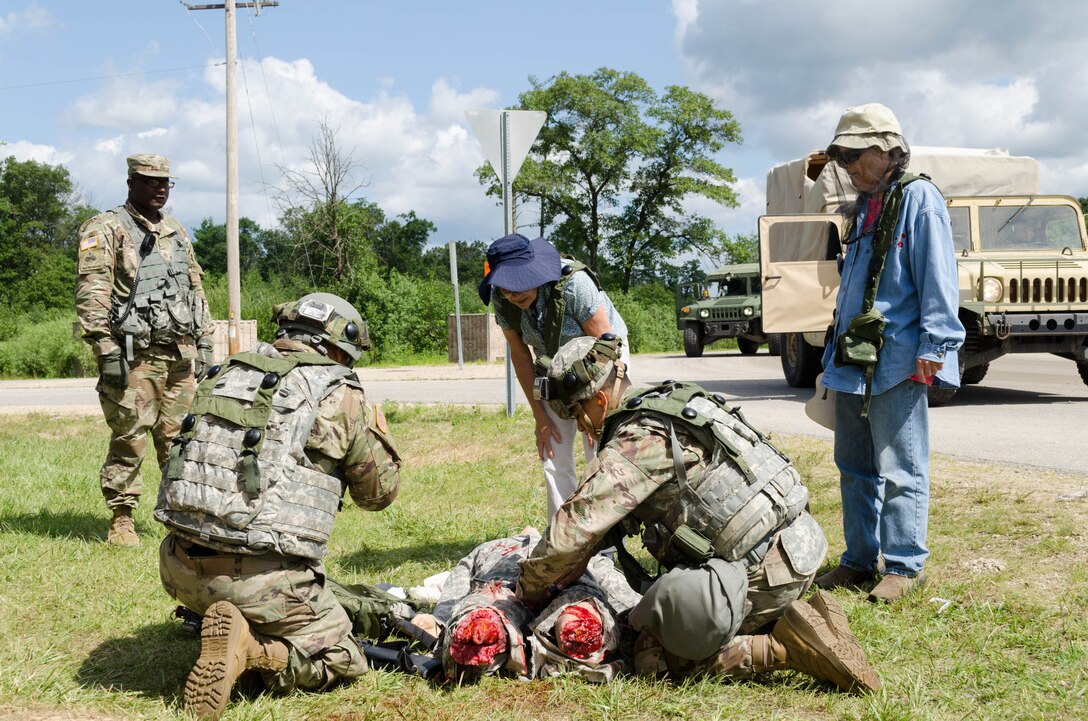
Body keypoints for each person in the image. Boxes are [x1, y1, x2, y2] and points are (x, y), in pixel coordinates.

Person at [515, 335, 881, 693]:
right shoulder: (677, 403)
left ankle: (785, 649)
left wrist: (527, 590)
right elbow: (606, 526)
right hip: (802, 543)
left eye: (579, 415)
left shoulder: (635, 440)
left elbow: (573, 527)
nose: (582, 426)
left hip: (767, 570)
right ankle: (794, 618)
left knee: (651, 655)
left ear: (599, 398)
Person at [154, 292, 401, 721]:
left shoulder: (225, 371)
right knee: (345, 657)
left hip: (177, 567)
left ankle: (233, 627)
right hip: (260, 581)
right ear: (338, 347)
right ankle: (253, 651)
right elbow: (378, 494)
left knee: (324, 594)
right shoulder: (339, 392)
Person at [815, 104, 965, 603]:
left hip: (900, 357)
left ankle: (902, 565)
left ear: (887, 151)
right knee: (853, 464)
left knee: (901, 465)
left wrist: (937, 345)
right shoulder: (864, 205)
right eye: (844, 158)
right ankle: (859, 559)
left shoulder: (920, 198)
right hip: (852, 361)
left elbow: (938, 278)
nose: (851, 167)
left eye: (857, 155)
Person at [75, 153, 213, 546]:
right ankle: (122, 517)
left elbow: (194, 287)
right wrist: (105, 347)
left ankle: (181, 518)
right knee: (130, 436)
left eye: (166, 182)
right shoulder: (106, 228)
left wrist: (204, 341)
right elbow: (93, 290)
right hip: (135, 356)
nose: (160, 188)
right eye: (151, 181)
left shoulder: (176, 230)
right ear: (131, 182)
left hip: (179, 354)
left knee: (181, 440)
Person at [479, 233, 629, 521]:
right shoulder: (502, 299)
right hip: (555, 365)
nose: (512, 292)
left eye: (519, 281)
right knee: (553, 449)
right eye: (505, 284)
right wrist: (540, 417)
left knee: (597, 448)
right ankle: (563, 537)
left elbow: (607, 345)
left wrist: (596, 412)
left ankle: (605, 536)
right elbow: (521, 357)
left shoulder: (574, 284)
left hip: (603, 356)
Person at [417, 527, 641, 683]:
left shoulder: (491, 547)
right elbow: (604, 571)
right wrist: (633, 610)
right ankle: (484, 632)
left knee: (580, 609)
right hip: (507, 590)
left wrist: (442, 618)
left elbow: (460, 575)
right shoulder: (491, 546)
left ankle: (574, 623)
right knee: (481, 617)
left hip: (547, 586)